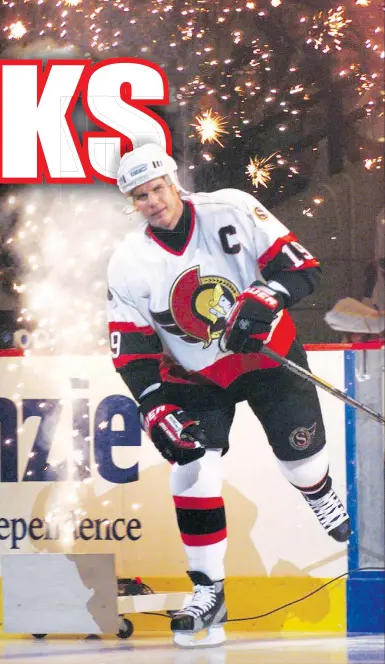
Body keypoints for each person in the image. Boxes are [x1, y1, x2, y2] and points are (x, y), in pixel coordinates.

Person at [106, 143, 350, 649]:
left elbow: (304, 268)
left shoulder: (231, 207)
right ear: (132, 202)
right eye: (140, 196)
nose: (153, 201)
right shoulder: (128, 260)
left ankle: (318, 491)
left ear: (174, 182)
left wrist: (269, 295)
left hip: (267, 356)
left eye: (157, 189)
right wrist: (154, 406)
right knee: (192, 469)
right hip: (195, 377)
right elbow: (129, 345)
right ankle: (208, 590)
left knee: (302, 465)